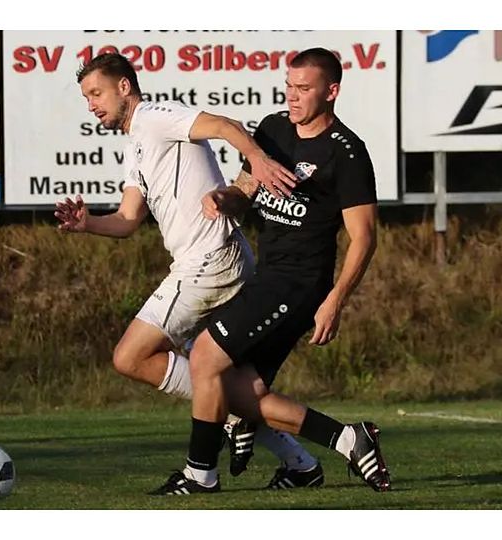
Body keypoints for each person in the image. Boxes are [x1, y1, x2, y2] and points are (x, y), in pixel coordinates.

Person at [55, 52, 324, 489]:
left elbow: (225, 126)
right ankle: (301, 463)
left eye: (96, 93)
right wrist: (88, 224)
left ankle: (226, 429)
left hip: (208, 261)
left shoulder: (155, 117)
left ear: (124, 87)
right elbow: (127, 220)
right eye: (86, 98)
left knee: (130, 356)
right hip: (214, 260)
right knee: (223, 380)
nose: (92, 105)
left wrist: (256, 159)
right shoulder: (137, 143)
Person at [149, 47, 391, 495]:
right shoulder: (274, 129)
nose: (292, 96)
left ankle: (200, 474)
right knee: (243, 391)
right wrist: (225, 200)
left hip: (300, 283)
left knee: (205, 355)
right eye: (288, 86)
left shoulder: (347, 153)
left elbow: (364, 237)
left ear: (331, 92)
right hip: (268, 275)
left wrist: (335, 301)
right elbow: (246, 189)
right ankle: (347, 439)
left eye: (304, 88)